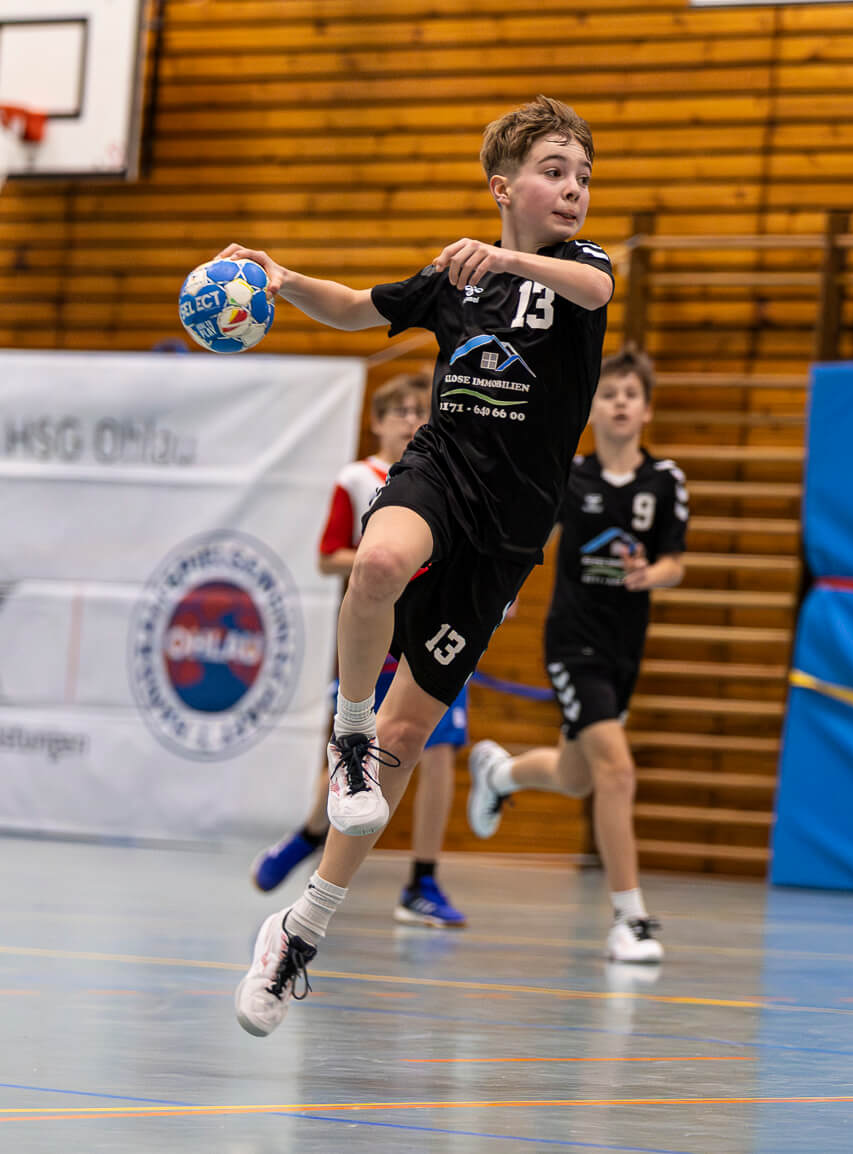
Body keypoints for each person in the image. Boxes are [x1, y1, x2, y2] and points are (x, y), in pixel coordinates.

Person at [220, 94, 613, 1038]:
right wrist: (281, 279)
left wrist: (508, 260)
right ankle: (347, 732)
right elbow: (357, 310)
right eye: (553, 171)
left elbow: (594, 292)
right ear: (502, 186)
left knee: (409, 739)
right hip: (441, 471)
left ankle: (300, 929)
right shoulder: (451, 280)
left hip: (509, 532)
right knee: (379, 563)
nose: (572, 189)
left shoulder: (580, 269)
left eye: (582, 176)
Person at [465, 345, 687, 964]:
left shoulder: (665, 481)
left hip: (624, 649)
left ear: (646, 410)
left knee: (576, 775)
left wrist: (651, 575)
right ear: (592, 408)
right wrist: (503, 592)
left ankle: (500, 774)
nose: (619, 404)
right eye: (608, 394)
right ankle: (630, 920)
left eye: (631, 395)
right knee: (617, 771)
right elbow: (532, 540)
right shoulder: (570, 474)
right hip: (571, 643)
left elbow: (675, 562)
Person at [248, 372, 469, 929]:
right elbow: (328, 557)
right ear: (376, 422)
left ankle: (423, 879)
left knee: (439, 751)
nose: (409, 420)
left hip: (436, 629)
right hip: (376, 635)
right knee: (354, 744)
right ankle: (310, 833)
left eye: (419, 410)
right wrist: (391, 558)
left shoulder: (454, 480)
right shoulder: (356, 479)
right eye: (398, 411)